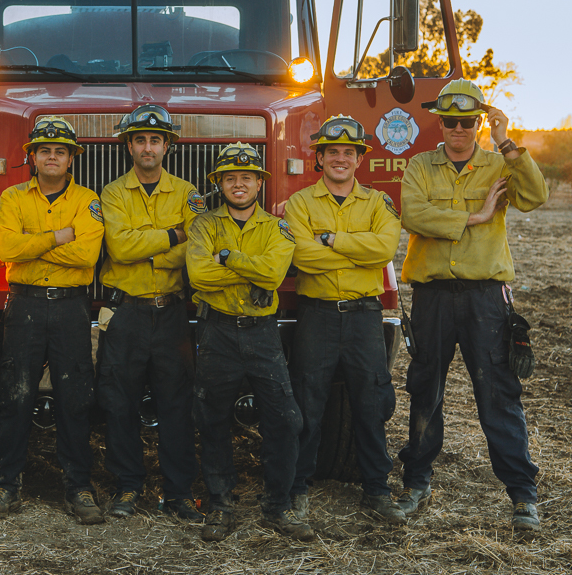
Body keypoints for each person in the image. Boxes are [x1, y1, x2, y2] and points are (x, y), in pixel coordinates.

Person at [397, 80, 548, 532]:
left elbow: (535, 197)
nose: (458, 129)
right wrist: (475, 217)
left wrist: (507, 141)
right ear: (439, 122)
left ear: (479, 121)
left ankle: (523, 496)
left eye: (467, 121)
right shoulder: (419, 166)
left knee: (498, 395)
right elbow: (412, 214)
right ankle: (416, 483)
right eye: (450, 121)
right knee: (425, 390)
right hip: (433, 298)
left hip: (486, 299)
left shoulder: (500, 163)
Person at [0, 116, 106, 524]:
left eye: (61, 151)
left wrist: (32, 248)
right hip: (25, 304)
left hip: (71, 307)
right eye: (45, 150)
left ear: (71, 159)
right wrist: (57, 237)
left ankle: (78, 486)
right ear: (32, 157)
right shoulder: (13, 197)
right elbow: (7, 248)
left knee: (76, 397)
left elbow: (87, 256)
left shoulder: (88, 200)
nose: (52, 157)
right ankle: (6, 484)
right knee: (15, 394)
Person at [284, 115, 405, 525]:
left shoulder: (378, 203)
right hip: (316, 317)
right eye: (332, 151)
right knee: (308, 404)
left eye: (348, 152)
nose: (340, 158)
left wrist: (331, 240)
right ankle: (296, 489)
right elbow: (302, 257)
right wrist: (358, 252)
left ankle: (377, 490)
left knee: (370, 405)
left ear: (359, 160)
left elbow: (384, 249)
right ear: (319, 158)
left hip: (363, 317)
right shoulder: (300, 204)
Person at [186, 142, 310, 542]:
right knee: (212, 418)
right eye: (230, 178)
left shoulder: (279, 227)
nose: (238, 184)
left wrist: (228, 257)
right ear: (219, 183)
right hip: (217, 330)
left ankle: (279, 506)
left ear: (260, 182)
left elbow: (274, 276)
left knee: (286, 419)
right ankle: (219, 506)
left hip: (262, 332)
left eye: (247, 177)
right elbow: (198, 276)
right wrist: (248, 270)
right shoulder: (204, 225)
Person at [97, 105, 204, 522]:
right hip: (126, 313)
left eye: (155, 140)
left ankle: (178, 493)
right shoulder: (111, 193)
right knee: (119, 402)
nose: (147, 147)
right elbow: (119, 248)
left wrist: (150, 245)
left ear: (167, 146)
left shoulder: (188, 192)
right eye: (140, 140)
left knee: (176, 403)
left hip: (172, 314)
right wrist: (172, 236)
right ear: (129, 146)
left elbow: (192, 248)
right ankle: (127, 487)